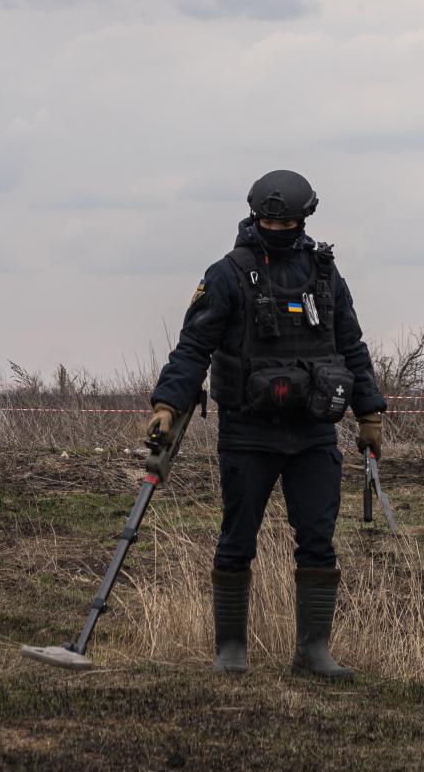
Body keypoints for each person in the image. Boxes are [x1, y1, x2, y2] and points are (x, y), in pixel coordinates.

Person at [148, 170, 387, 678]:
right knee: (237, 539)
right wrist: (167, 406)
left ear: (305, 217)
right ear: (255, 214)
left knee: (318, 539)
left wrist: (370, 413)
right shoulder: (227, 273)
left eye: (287, 219)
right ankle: (231, 651)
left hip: (314, 431)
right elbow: (193, 348)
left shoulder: (325, 274)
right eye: (269, 218)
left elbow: (352, 345)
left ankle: (313, 652)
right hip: (248, 432)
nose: (277, 226)